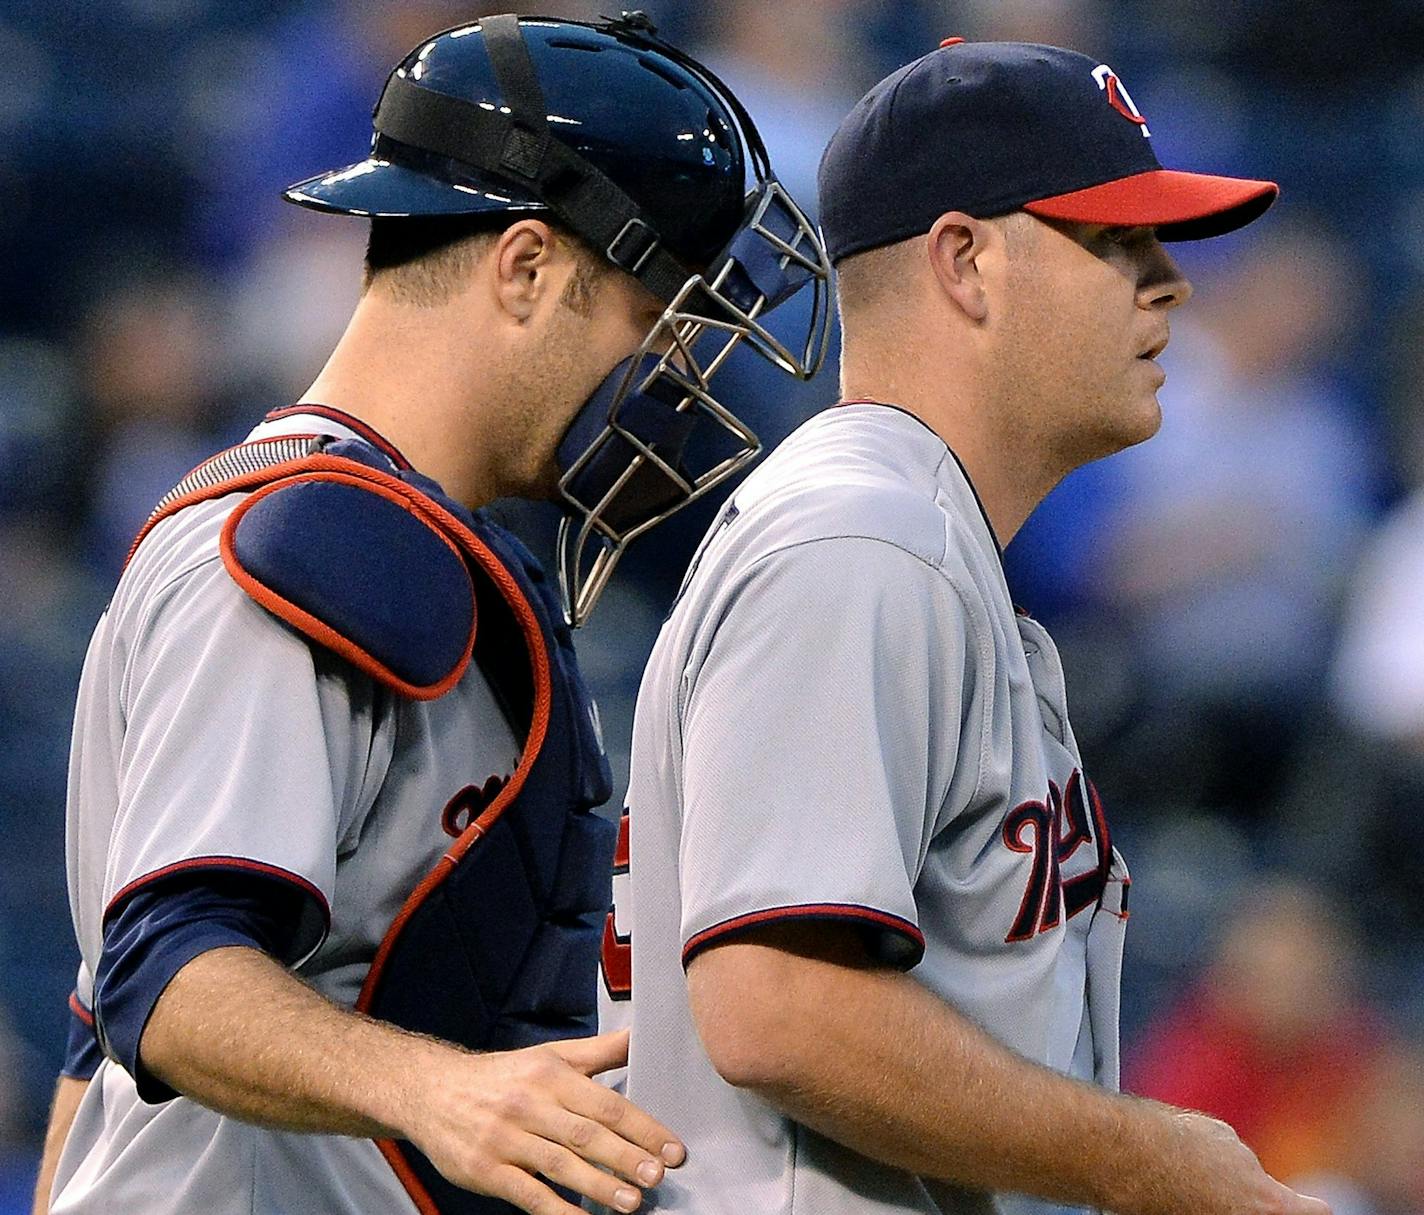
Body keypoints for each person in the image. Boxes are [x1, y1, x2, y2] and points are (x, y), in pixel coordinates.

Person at [34, 13, 827, 1215]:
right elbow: (166, 976)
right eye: (653, 314)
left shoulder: (400, 539)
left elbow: (94, 1049)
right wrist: (444, 1091)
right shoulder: (305, 546)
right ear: (523, 267)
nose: (668, 371)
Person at [597, 38, 1329, 1215]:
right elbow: (780, 1010)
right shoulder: (861, 540)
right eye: (1112, 241)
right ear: (964, 261)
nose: (1168, 283)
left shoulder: (914, 541)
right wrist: (1147, 1161)